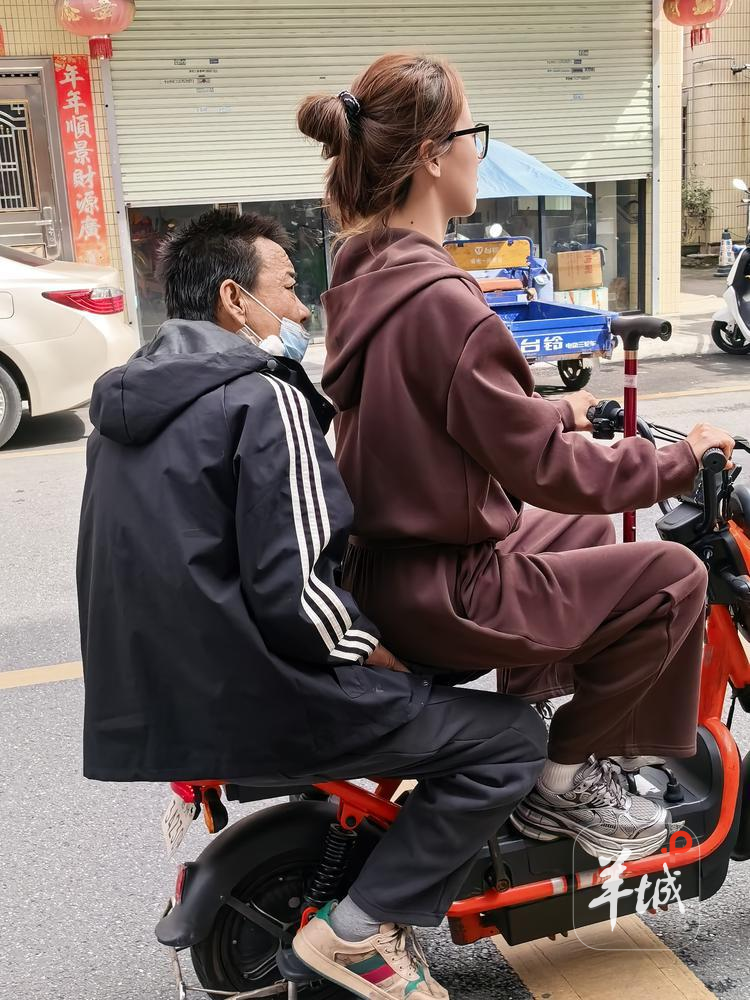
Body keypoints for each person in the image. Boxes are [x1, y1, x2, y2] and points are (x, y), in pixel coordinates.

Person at [77, 208, 548, 1000]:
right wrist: (372, 648)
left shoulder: (125, 410)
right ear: (234, 299)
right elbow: (296, 592)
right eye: (290, 288)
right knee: (510, 738)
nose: (301, 310)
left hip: (164, 702)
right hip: (264, 697)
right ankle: (361, 931)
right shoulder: (263, 399)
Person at [296, 54, 736, 873]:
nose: (478, 151)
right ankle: (562, 779)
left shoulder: (368, 280)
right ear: (431, 154)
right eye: (472, 133)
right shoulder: (444, 303)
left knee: (580, 527)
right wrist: (677, 463)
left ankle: (529, 731)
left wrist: (554, 411)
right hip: (448, 594)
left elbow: (445, 417)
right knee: (675, 577)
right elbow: (546, 469)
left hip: (384, 572)